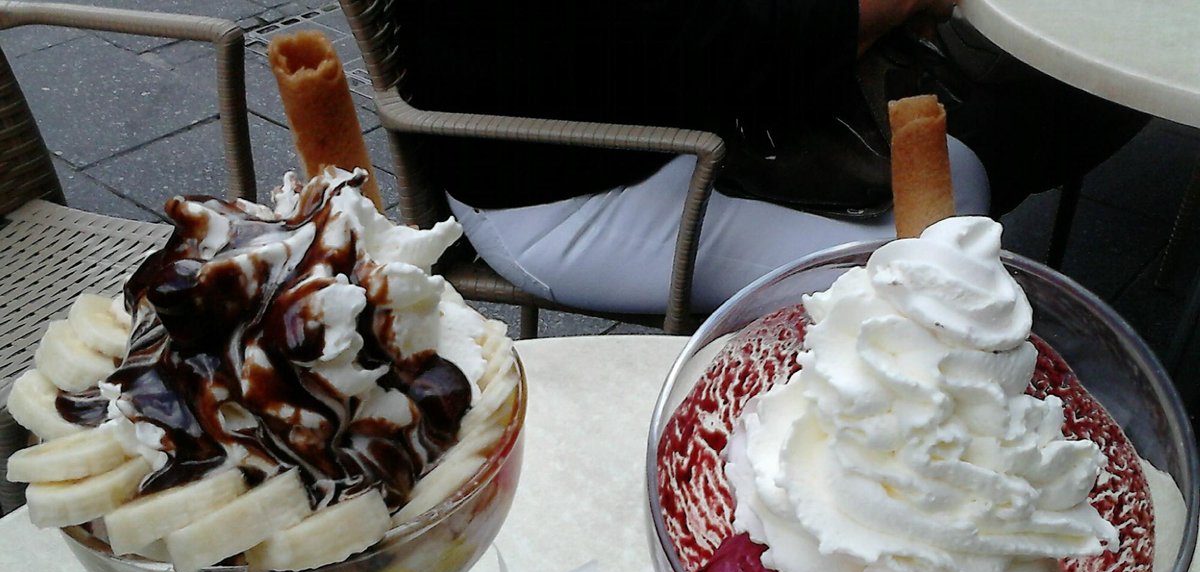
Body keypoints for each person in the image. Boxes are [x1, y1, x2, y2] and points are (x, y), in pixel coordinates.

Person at [394, 1, 1144, 317]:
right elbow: (724, 47)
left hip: (669, 121)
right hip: (564, 189)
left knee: (951, 186)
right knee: (931, 274)